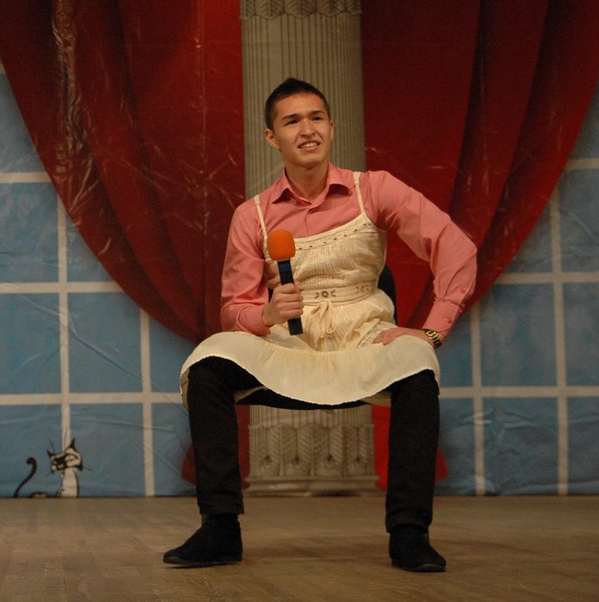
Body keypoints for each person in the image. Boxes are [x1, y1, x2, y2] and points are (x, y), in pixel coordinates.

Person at [164, 78, 476, 573]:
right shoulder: (252, 215)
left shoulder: (374, 189)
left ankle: (409, 533)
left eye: (315, 118)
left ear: (332, 127)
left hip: (365, 336)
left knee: (417, 362)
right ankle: (220, 528)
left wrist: (432, 329)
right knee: (207, 363)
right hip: (290, 343)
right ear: (272, 138)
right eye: (292, 121)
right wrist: (265, 314)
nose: (307, 130)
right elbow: (234, 307)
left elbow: (455, 248)